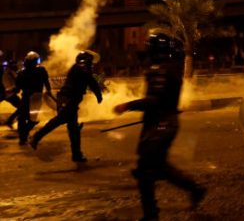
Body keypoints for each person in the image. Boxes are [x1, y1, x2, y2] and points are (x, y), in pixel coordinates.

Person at [113, 33, 206, 221]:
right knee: (158, 167)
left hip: (160, 125)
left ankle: (151, 215)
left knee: (146, 171)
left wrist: (127, 105)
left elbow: (154, 100)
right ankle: (194, 189)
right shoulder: (171, 67)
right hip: (163, 123)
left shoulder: (161, 70)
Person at [30, 50, 103, 162]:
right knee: (60, 121)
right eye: (90, 62)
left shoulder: (77, 67)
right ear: (86, 61)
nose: (92, 65)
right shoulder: (82, 68)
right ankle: (36, 137)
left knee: (73, 129)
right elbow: (91, 81)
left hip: (69, 99)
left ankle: (76, 155)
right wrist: (98, 95)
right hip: (68, 99)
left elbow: (89, 80)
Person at [12, 51, 52, 145]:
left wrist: (11, 91)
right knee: (32, 119)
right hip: (36, 98)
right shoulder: (41, 70)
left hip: (26, 98)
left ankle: (22, 137)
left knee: (22, 118)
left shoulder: (21, 73)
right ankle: (24, 134)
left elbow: (17, 89)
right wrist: (49, 91)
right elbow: (46, 83)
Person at [0, 52, 21, 129]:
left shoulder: (9, 72)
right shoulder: (8, 73)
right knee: (22, 107)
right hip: (8, 94)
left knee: (22, 107)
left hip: (7, 93)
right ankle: (10, 120)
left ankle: (10, 120)